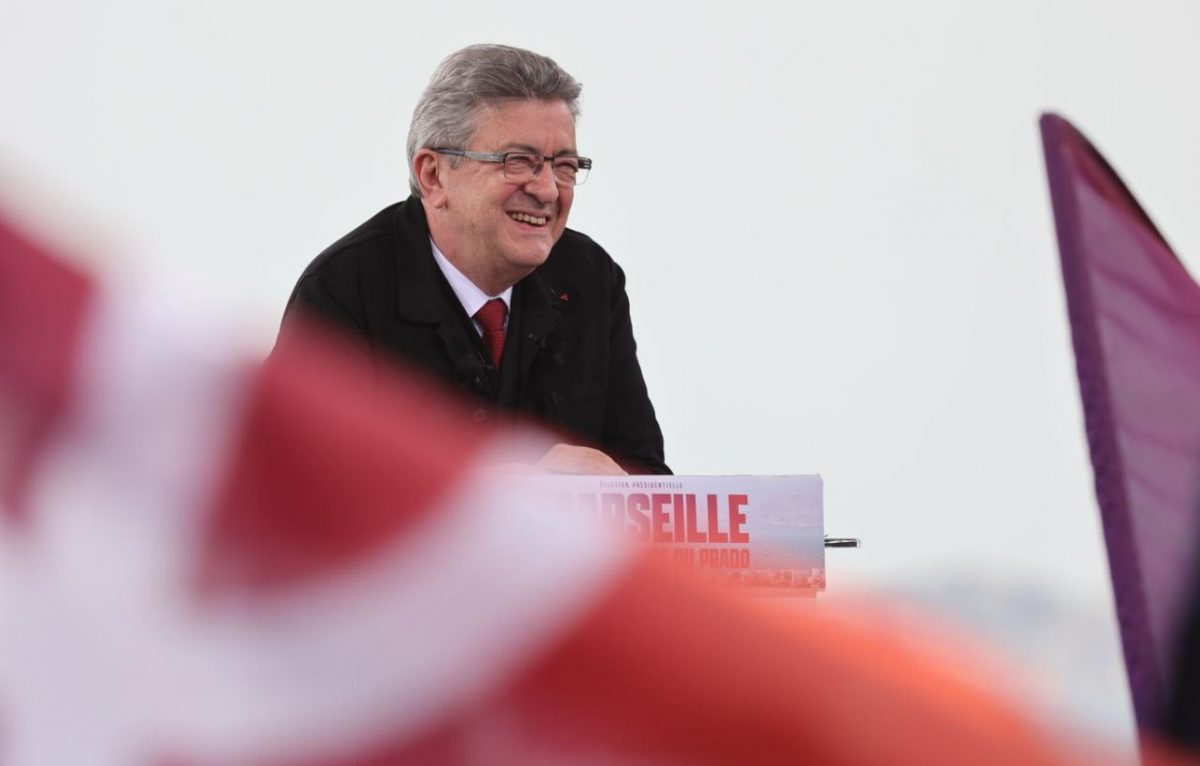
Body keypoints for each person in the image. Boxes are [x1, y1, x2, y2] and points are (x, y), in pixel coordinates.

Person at [279, 44, 668, 475]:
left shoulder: (590, 278)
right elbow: (291, 498)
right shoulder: (343, 291)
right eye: (518, 162)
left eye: (565, 166)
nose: (549, 191)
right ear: (434, 175)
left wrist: (620, 489)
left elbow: (652, 481)